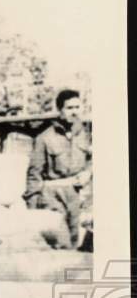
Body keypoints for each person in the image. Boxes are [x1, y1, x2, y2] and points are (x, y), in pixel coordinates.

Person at [23, 89, 92, 248]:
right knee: (61, 243)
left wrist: (88, 172)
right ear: (60, 111)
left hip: (76, 195)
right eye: (69, 108)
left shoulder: (86, 134)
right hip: (52, 196)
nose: (74, 112)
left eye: (77, 107)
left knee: (75, 241)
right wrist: (32, 210)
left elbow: (94, 158)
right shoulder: (44, 138)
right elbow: (34, 175)